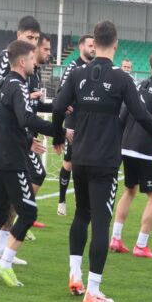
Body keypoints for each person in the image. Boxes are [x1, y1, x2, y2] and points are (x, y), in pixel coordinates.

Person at [53, 21, 152, 302]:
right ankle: (93, 290)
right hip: (104, 162)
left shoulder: (77, 73)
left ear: (95, 42)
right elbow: (141, 114)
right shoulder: (121, 78)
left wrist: (57, 135)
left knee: (81, 215)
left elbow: (57, 107)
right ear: (115, 44)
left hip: (79, 158)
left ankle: (75, 274)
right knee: (101, 222)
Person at [0, 40, 57, 287]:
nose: (35, 63)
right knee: (28, 213)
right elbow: (25, 117)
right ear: (23, 61)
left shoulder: (1, 85)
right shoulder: (17, 85)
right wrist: (57, 130)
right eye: (33, 59)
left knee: (0, 212)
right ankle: (5, 265)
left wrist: (26, 139)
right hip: (12, 162)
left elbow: (6, 122)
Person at [0, 16, 41, 264]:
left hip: (9, 143)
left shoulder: (26, 73)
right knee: (16, 205)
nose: (34, 43)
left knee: (4, 203)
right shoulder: (6, 63)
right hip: (5, 143)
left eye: (36, 39)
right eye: (29, 38)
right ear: (18, 36)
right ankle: (0, 253)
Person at [110, 51, 152, 258]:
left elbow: (122, 116)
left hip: (126, 146)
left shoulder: (138, 85)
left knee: (129, 190)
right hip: (145, 150)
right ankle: (141, 245)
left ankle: (116, 238)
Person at [57, 34, 95, 217]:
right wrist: (69, 104)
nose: (93, 48)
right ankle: (61, 201)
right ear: (81, 47)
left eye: (94, 45)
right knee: (69, 163)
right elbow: (61, 92)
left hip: (89, 123)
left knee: (87, 162)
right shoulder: (73, 66)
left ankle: (83, 200)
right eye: (90, 45)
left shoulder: (96, 68)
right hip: (73, 122)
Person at [25, 33, 54, 230]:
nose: (49, 53)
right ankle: (24, 214)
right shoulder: (24, 74)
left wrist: (59, 106)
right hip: (21, 137)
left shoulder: (35, 74)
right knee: (37, 174)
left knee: (30, 177)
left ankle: (24, 214)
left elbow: (36, 105)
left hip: (29, 134)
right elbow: (18, 102)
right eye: (46, 49)